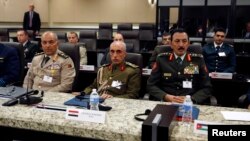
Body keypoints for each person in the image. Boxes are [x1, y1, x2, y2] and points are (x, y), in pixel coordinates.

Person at [147, 28, 212, 104]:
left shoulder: (197, 60)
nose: (181, 45)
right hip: (166, 102)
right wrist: (166, 96)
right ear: (171, 44)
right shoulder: (161, 59)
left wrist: (192, 99)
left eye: (184, 41)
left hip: (190, 104)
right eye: (177, 41)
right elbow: (150, 85)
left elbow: (207, 88)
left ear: (188, 44)